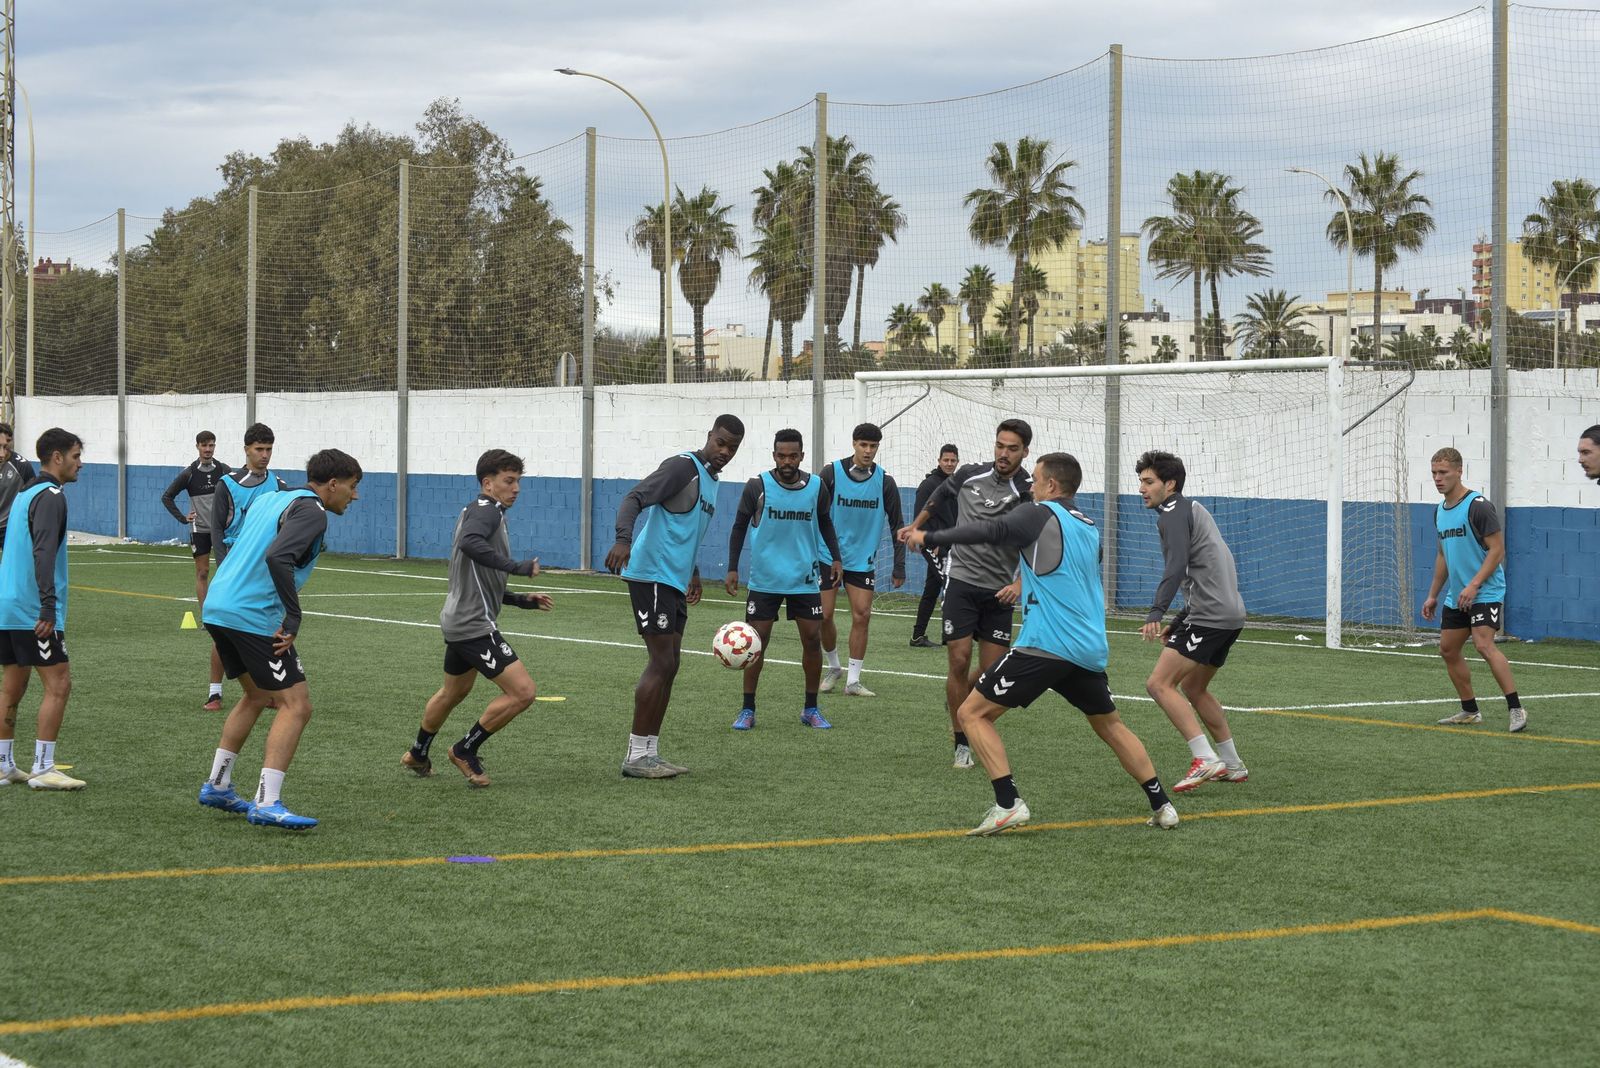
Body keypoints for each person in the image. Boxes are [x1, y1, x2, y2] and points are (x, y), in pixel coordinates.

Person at [908, 452, 1178, 835]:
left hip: (1047, 644)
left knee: (971, 714)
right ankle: (1162, 804)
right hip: (1087, 648)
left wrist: (929, 536)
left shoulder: (1038, 513)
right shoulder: (1087, 525)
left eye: (1034, 479)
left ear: (1051, 485)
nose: (1029, 486)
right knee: (1110, 725)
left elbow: (990, 530)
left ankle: (1007, 803)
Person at [196, 449, 362, 828]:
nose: (354, 496)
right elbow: (278, 557)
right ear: (333, 484)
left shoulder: (273, 497)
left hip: (219, 606)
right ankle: (268, 802)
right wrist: (293, 616)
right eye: (352, 488)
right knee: (296, 705)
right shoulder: (313, 510)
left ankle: (218, 785)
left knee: (256, 695)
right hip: (253, 614)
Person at [606, 414, 744, 778]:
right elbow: (634, 497)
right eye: (720, 443)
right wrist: (623, 539)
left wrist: (693, 572)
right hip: (651, 574)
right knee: (661, 662)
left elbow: (687, 529)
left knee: (672, 664)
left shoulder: (711, 482)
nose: (724, 452)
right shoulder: (684, 467)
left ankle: (650, 752)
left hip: (673, 580)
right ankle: (635, 755)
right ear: (709, 436)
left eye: (732, 448)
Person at [402, 449, 551, 787]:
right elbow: (470, 544)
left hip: (459, 617)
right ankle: (465, 750)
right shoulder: (488, 513)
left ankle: (418, 753)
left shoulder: (478, 511)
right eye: (508, 481)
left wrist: (519, 600)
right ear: (488, 483)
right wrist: (518, 567)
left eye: (518, 482)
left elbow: (478, 579)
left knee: (452, 693)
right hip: (472, 625)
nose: (516, 489)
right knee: (523, 692)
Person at [900, 419, 1031, 769]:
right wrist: (917, 525)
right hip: (960, 580)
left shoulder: (1028, 490)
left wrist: (1020, 584)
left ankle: (961, 705)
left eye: (1012, 448)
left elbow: (1035, 540)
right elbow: (940, 494)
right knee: (958, 660)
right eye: (1000, 445)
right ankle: (961, 741)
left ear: (1025, 452)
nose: (1004, 454)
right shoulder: (970, 474)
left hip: (1000, 590)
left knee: (993, 675)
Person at [1136, 450, 1249, 791]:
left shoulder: (1171, 514)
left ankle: (1205, 757)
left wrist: (1156, 612)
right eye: (1141, 481)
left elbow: (1177, 567)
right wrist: (1181, 617)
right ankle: (1232, 764)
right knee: (1194, 688)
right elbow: (1209, 570)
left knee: (1158, 684)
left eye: (1149, 481)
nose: (1142, 488)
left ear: (1169, 484)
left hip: (1210, 616)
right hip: (1229, 615)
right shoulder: (1194, 510)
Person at [724, 429, 843, 731]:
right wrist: (733, 568)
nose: (787, 461)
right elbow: (739, 526)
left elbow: (826, 522)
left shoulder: (817, 487)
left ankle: (811, 708)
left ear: (802, 456)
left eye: (793, 455)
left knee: (812, 641)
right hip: (765, 580)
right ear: (774, 455)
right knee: (756, 644)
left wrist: (837, 557)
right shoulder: (757, 486)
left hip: (804, 578)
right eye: (781, 455)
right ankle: (747, 709)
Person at [0, 428, 85, 790]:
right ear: (57, 457)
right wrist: (48, 607)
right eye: (76, 456)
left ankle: (3, 765)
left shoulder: (25, 491)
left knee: (11, 687)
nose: (80, 463)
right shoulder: (51, 495)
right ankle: (43, 767)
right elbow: (44, 552)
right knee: (59, 683)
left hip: (8, 603)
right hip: (32, 608)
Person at [1422, 448, 1525, 732]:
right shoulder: (1440, 511)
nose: (1438, 478)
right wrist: (1433, 594)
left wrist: (1474, 584)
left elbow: (1497, 550)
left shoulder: (1477, 506)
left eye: (1443, 473)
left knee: (1483, 644)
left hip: (1485, 590)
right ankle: (1470, 710)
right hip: (1459, 594)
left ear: (1459, 471)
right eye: (1434, 473)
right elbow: (1443, 555)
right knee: (1448, 649)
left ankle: (1516, 708)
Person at [816, 423, 906, 697]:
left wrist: (899, 564)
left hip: (862, 561)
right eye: (863, 445)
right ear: (854, 444)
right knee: (825, 616)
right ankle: (833, 666)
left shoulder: (885, 482)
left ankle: (853, 681)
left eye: (873, 446)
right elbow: (815, 515)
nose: (868, 451)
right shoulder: (831, 474)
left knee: (862, 615)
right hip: (829, 557)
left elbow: (897, 524)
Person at [162, 430, 233, 710]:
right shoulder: (189, 473)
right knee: (202, 572)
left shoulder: (225, 471)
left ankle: (223, 607)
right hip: (199, 530)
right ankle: (207, 616)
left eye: (212, 444)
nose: (208, 449)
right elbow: (167, 497)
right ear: (197, 447)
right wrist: (183, 517)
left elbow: (237, 494)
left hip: (223, 530)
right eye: (204, 445)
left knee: (225, 571)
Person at [213, 422, 289, 564]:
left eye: (269, 449)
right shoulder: (227, 484)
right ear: (246, 450)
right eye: (259, 449)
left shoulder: (279, 485)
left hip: (266, 562)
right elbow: (217, 529)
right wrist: (222, 567)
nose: (265, 455)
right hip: (236, 559)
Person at [909, 444, 960, 648]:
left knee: (933, 588)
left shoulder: (957, 485)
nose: (949, 463)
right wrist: (932, 542)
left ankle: (917, 636)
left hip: (949, 545)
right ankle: (951, 635)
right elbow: (919, 517)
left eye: (953, 460)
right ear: (939, 461)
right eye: (945, 460)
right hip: (933, 545)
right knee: (950, 586)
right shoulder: (929, 485)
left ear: (957, 462)